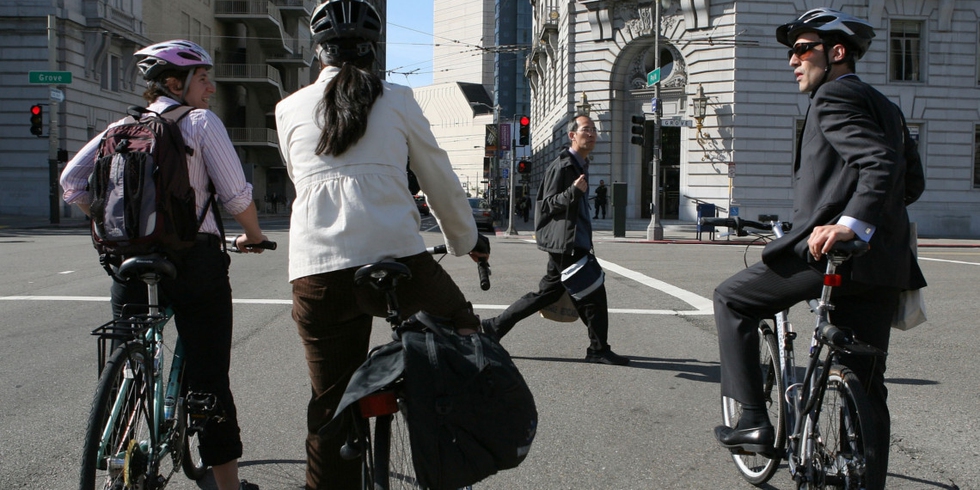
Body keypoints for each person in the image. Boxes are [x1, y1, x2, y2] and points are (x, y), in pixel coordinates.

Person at [273, 1, 490, 488]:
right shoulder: (399, 98)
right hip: (400, 264)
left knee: (330, 403)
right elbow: (439, 179)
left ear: (318, 51)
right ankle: (450, 439)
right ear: (374, 50)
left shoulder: (287, 108)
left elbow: (301, 181)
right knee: (460, 327)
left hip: (317, 271)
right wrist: (466, 241)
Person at [711, 9, 926, 488]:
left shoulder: (833, 95)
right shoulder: (886, 106)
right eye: (791, 51)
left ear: (836, 52)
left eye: (802, 48)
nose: (792, 59)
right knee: (866, 386)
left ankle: (750, 418)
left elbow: (877, 163)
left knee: (731, 299)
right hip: (884, 268)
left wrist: (848, 222)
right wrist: (865, 215)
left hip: (836, 256)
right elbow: (908, 181)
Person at [60, 40, 268, 490]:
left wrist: (113, 222)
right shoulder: (199, 121)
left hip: (129, 261)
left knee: (132, 363)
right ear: (176, 83)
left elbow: (71, 184)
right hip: (195, 262)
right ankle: (226, 485)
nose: (210, 88)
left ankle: (119, 450)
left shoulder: (119, 127)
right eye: (203, 78)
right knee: (210, 375)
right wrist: (253, 235)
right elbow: (235, 194)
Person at [481, 114, 629, 366]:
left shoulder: (581, 164)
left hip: (572, 241)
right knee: (593, 296)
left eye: (594, 130)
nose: (591, 134)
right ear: (572, 135)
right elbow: (545, 205)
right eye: (586, 129)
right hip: (567, 244)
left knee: (546, 294)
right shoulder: (562, 166)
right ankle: (598, 348)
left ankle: (494, 327)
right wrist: (573, 192)